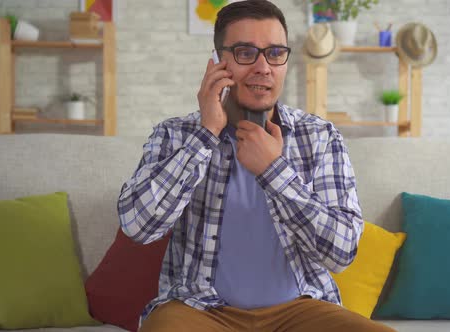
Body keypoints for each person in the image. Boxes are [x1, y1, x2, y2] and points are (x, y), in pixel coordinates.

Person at [117, 1, 396, 331]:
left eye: (275, 53)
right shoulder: (175, 134)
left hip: (299, 308)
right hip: (200, 309)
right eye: (246, 52)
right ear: (219, 62)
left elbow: (342, 252)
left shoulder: (320, 136)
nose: (263, 67)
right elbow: (138, 226)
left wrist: (274, 171)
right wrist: (206, 133)